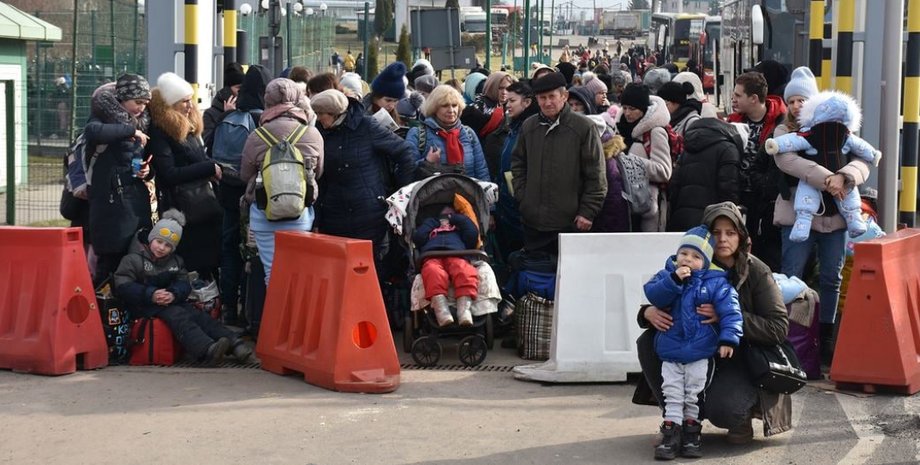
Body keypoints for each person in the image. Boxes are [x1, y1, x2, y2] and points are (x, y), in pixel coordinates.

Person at [636, 201, 791, 445]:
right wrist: (648, 312)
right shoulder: (687, 264)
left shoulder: (757, 271)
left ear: (740, 237)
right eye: (716, 232)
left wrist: (727, 318)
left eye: (730, 233)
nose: (722, 239)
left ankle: (742, 416)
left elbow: (778, 328)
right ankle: (674, 422)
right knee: (648, 341)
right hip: (695, 348)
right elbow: (662, 291)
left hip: (738, 356)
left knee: (724, 409)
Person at [770, 66, 871, 363]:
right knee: (791, 276)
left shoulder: (841, 129)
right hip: (796, 215)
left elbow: (863, 160)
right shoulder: (784, 132)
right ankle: (790, 336)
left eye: (803, 100)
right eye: (792, 101)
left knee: (831, 278)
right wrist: (831, 178)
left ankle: (827, 337)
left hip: (835, 219)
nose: (797, 106)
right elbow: (787, 162)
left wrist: (847, 176)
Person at [644, 225, 743, 460]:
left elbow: (731, 311)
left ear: (706, 262)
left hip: (700, 352)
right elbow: (654, 295)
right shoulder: (665, 275)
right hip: (671, 351)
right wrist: (673, 281)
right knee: (672, 392)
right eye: (684, 254)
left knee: (694, 393)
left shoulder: (717, 283)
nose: (688, 259)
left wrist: (728, 338)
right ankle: (670, 433)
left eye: (696, 256)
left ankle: (692, 433)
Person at [113, 209, 252, 366]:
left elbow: (183, 283)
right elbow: (123, 285)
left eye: (167, 245)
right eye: (159, 242)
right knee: (178, 316)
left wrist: (173, 294)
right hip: (143, 304)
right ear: (152, 238)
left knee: (198, 315)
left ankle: (235, 343)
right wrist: (151, 294)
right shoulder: (133, 259)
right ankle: (206, 350)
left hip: (169, 300)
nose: (161, 248)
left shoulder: (175, 261)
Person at [311, 89, 415, 281]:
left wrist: (401, 194)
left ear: (334, 114)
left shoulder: (367, 126)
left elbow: (404, 152)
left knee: (370, 274)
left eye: (320, 114)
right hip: (334, 216)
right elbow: (318, 178)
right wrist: (317, 219)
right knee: (340, 276)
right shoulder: (319, 132)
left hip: (369, 215)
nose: (318, 119)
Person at [510, 72, 607, 254]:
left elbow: (596, 175)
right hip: (534, 223)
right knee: (536, 276)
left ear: (564, 96)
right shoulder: (529, 127)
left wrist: (588, 211)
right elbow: (518, 164)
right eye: (542, 98)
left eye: (552, 97)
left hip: (570, 223)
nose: (547, 103)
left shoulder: (583, 128)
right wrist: (524, 199)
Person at [239, 78, 324, 284]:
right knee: (298, 272)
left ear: (267, 101)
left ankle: (276, 315)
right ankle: (297, 316)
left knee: (272, 273)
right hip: (300, 213)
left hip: (264, 213)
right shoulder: (312, 133)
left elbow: (244, 174)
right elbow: (319, 172)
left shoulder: (257, 135)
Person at [148, 72, 223, 281]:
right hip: (184, 207)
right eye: (184, 101)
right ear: (171, 105)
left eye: (190, 100)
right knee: (194, 260)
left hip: (201, 203)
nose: (190, 105)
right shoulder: (162, 131)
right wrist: (208, 168)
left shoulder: (188, 128)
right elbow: (169, 173)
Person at [83, 74, 153, 286]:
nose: (141, 108)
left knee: (132, 260)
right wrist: (131, 130)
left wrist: (145, 171)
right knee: (109, 261)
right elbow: (93, 131)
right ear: (122, 98)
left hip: (132, 200)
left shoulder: (143, 122)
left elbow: (136, 158)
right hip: (109, 203)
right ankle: (105, 311)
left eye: (145, 103)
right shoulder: (102, 116)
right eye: (137, 102)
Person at [727, 71, 788, 271]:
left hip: (767, 201)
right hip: (740, 197)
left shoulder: (781, 123)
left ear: (754, 99)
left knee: (767, 253)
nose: (733, 99)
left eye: (738, 95)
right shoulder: (733, 122)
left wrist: (764, 186)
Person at [666, 119, 744, 232]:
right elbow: (729, 190)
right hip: (712, 220)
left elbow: (674, 186)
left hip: (681, 217)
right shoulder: (728, 149)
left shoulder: (686, 151)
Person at [411, 206, 480, 327]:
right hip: (432, 254)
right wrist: (432, 222)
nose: (447, 215)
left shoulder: (458, 230)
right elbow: (418, 238)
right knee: (433, 272)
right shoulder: (432, 228)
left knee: (464, 271)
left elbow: (472, 234)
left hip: (457, 254)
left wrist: (457, 219)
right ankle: (441, 309)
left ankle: (464, 309)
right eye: (444, 213)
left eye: (451, 213)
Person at [492, 82, 539, 260]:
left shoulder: (529, 128)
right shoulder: (514, 126)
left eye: (512, 100)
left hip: (520, 202)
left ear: (527, 103)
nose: (507, 105)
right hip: (508, 199)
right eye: (507, 101)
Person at [405, 85, 490, 181]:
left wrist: (486, 193)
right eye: (445, 106)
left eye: (454, 105)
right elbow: (406, 173)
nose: (451, 110)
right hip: (432, 195)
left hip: (468, 194)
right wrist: (427, 163)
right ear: (434, 108)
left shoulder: (468, 133)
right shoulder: (417, 134)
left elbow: (481, 171)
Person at [616, 83, 672, 232]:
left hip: (648, 207)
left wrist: (628, 163)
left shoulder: (655, 132)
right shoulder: (620, 128)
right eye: (625, 108)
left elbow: (664, 171)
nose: (627, 113)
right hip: (624, 202)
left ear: (643, 109)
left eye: (632, 109)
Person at [203, 62, 244, 153]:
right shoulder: (210, 114)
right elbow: (209, 144)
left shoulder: (244, 110)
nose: (241, 92)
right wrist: (227, 117)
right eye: (238, 88)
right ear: (227, 91)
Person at [363, 62, 408, 128]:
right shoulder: (359, 114)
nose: (391, 106)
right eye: (388, 100)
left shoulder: (395, 115)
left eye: (395, 101)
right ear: (376, 97)